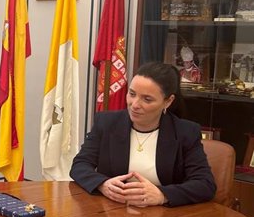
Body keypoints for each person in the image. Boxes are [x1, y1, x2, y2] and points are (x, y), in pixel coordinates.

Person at [70, 62, 216, 207]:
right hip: (112, 211)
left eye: (147, 99)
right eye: (132, 94)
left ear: (168, 101)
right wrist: (103, 184)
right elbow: (80, 165)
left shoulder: (186, 132)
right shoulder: (106, 123)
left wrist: (162, 195)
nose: (134, 104)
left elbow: (205, 184)